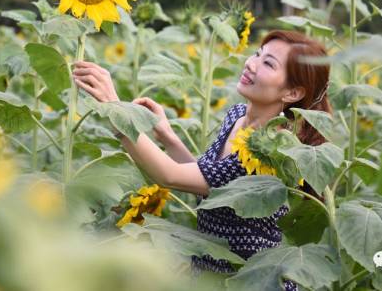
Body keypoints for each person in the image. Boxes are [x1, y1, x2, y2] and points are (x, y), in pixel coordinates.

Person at [72, 29, 332, 291]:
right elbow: (208, 181)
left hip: (248, 279)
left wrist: (115, 109)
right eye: (257, 54)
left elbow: (170, 176)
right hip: (212, 273)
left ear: (292, 93)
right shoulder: (238, 116)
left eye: (268, 63)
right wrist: (168, 136)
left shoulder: (268, 153)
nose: (251, 64)